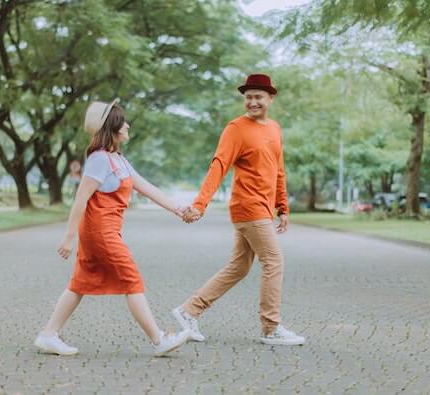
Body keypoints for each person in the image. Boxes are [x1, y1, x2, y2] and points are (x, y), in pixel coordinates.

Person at [35, 99, 189, 356]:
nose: (128, 125)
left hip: (107, 231)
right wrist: (69, 237)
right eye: (122, 122)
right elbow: (81, 199)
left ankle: (48, 335)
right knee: (131, 279)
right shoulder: (99, 160)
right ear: (112, 128)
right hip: (100, 232)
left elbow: (145, 186)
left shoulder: (117, 159)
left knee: (79, 284)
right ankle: (159, 339)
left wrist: (178, 209)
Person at [175, 74, 305, 346]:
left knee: (239, 267)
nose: (253, 102)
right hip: (248, 206)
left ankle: (189, 311)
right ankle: (271, 327)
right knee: (274, 261)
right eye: (248, 97)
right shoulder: (236, 128)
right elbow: (219, 165)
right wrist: (200, 204)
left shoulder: (274, 128)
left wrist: (283, 206)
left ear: (271, 98)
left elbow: (279, 170)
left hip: (264, 208)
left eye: (258, 97)